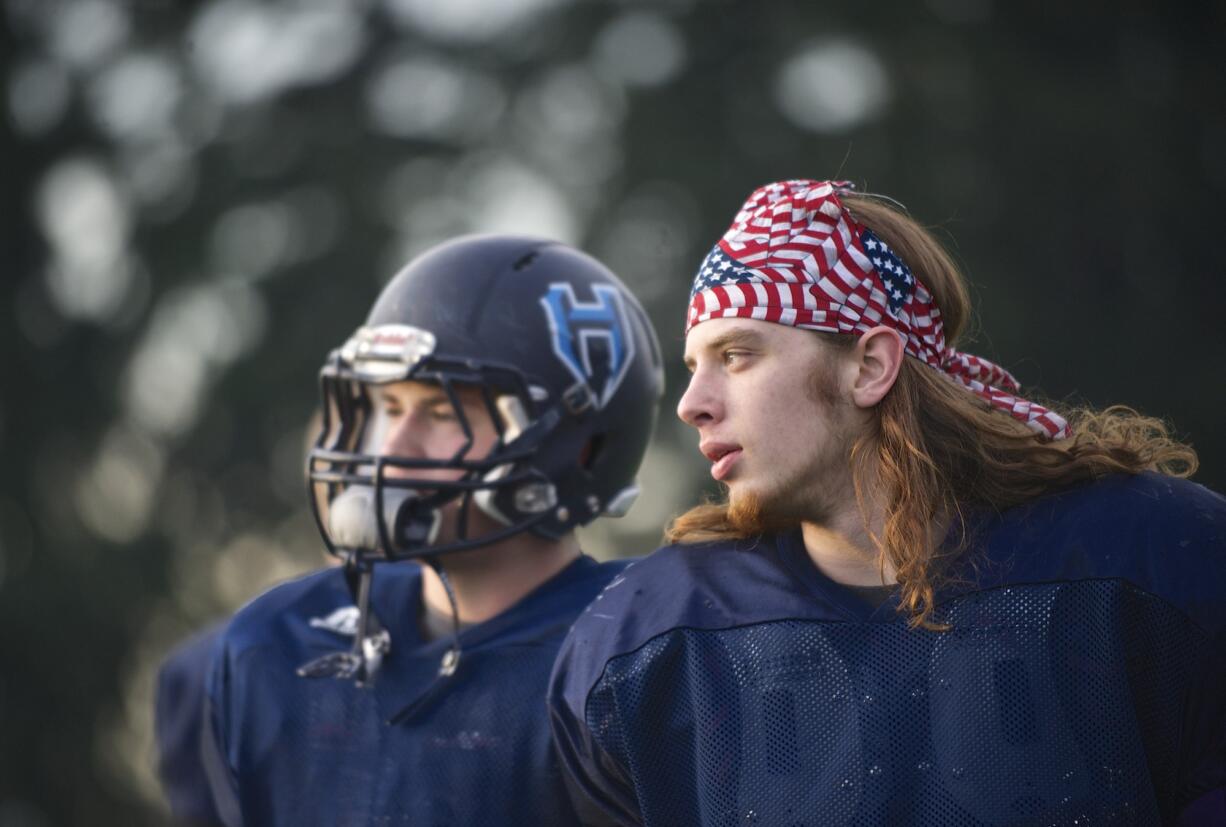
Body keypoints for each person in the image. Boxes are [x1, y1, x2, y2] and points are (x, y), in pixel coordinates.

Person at [548, 179, 1226, 826]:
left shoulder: (1153, 561)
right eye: (694, 364)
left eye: (737, 355)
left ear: (870, 365)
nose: (693, 404)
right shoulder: (642, 643)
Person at [203, 235, 663, 826]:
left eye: (443, 414)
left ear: (580, 443)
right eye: (390, 408)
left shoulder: (635, 658)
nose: (392, 450)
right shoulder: (279, 642)